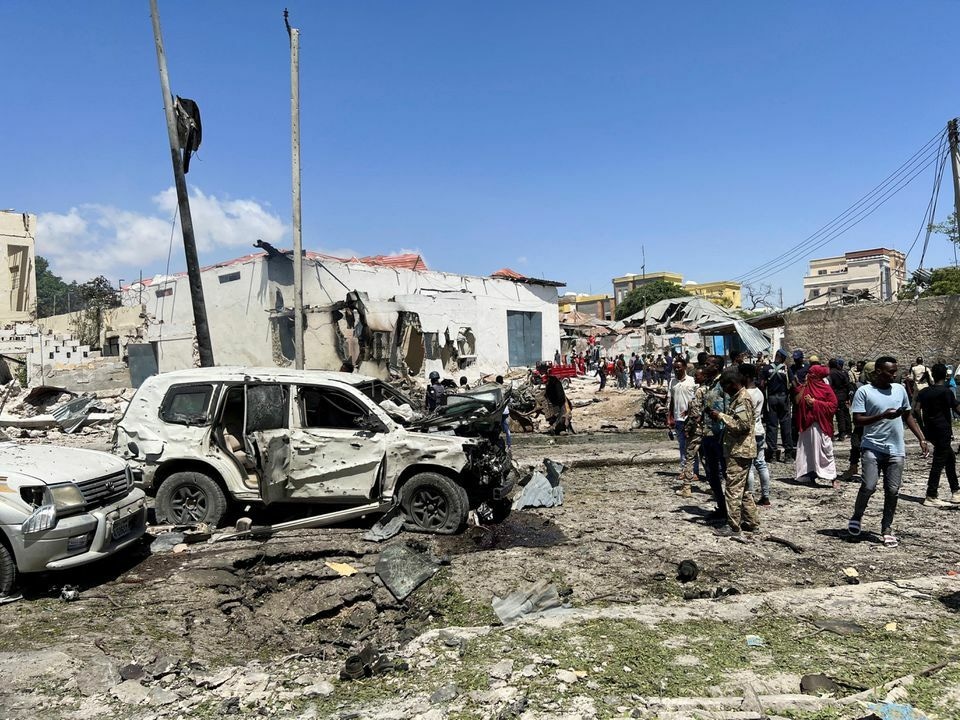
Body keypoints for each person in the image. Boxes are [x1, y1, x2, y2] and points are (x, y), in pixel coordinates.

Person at [848, 356, 928, 547]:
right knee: (869, 485)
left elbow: (908, 415)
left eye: (895, 370)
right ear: (878, 372)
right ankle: (857, 516)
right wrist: (882, 415)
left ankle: (886, 528)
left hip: (896, 449)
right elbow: (857, 420)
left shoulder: (900, 390)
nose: (895, 374)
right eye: (891, 371)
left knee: (892, 491)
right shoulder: (864, 392)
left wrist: (921, 438)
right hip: (872, 446)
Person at [709, 367, 759, 537]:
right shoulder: (739, 398)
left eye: (725, 386)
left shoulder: (743, 400)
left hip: (739, 451)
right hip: (740, 450)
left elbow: (742, 426)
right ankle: (751, 522)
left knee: (732, 489)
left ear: (733, 384)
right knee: (742, 489)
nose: (724, 391)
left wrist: (721, 416)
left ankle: (733, 526)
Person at [913, 363, 959, 507]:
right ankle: (931, 494)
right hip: (943, 430)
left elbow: (916, 410)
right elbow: (957, 409)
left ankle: (956, 491)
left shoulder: (924, 392)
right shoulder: (945, 392)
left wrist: (922, 427)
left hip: (930, 430)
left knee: (949, 458)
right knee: (939, 462)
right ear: (946, 375)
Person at [794, 364, 838, 487]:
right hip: (807, 425)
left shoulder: (826, 389)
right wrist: (804, 386)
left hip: (821, 425)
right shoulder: (805, 387)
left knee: (825, 450)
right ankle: (808, 474)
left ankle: (831, 475)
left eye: (811, 374)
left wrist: (815, 403)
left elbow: (833, 406)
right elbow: (797, 401)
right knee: (807, 451)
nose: (809, 375)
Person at [700, 358, 728, 523]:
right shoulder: (709, 384)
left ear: (716, 367)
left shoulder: (723, 384)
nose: (705, 366)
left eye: (708, 364)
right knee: (711, 474)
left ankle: (731, 511)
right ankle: (721, 507)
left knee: (726, 473)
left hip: (720, 435)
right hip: (708, 434)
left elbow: (727, 409)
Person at [741, 363, 771, 506]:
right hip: (759, 430)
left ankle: (750, 495)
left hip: (750, 432)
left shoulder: (746, 394)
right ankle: (765, 495)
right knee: (761, 463)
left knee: (749, 466)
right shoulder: (759, 392)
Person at [668, 357, 697, 497]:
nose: (677, 369)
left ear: (685, 367)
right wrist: (670, 416)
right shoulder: (672, 382)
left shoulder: (692, 381)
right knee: (682, 445)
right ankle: (684, 470)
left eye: (679, 367)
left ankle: (693, 472)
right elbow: (672, 400)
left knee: (693, 446)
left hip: (690, 419)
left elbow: (696, 400)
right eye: (675, 367)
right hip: (678, 419)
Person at [762, 349, 794, 463]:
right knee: (786, 426)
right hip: (784, 399)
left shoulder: (766, 368)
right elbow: (793, 384)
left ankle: (772, 454)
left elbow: (762, 384)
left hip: (771, 398)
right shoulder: (786, 369)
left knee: (772, 426)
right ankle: (788, 455)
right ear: (782, 358)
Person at [828, 358, 852, 441]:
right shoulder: (842, 373)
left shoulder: (830, 374)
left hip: (834, 396)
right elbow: (847, 384)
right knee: (843, 414)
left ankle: (840, 433)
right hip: (843, 396)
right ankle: (844, 432)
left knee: (836, 415)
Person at [495, 375, 512, 449]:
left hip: (498, 412)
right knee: (507, 429)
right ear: (502, 381)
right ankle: (509, 445)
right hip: (505, 411)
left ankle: (497, 444)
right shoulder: (504, 389)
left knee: (496, 429)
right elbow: (509, 400)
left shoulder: (495, 390)